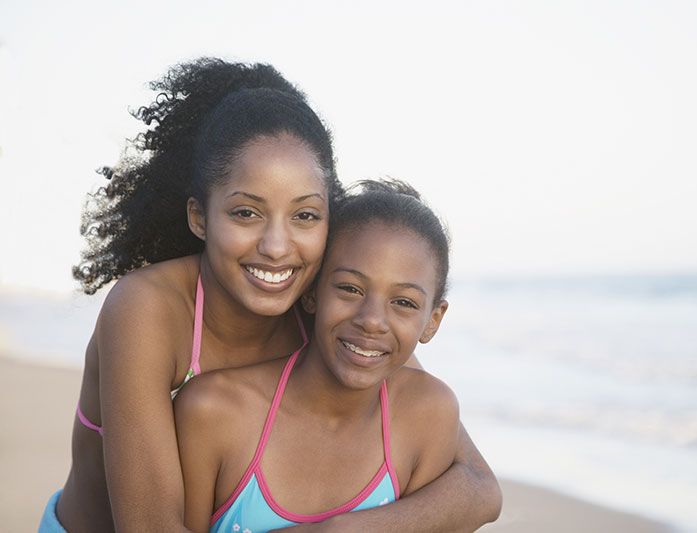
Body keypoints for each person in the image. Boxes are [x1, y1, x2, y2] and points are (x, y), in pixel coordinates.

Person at [40, 58, 501, 533]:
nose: (277, 248)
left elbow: (479, 487)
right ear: (201, 217)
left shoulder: (331, 306)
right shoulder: (148, 308)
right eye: (245, 213)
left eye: (304, 216)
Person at [176, 179, 459, 532]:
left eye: (403, 302)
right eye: (349, 288)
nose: (371, 320)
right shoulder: (214, 410)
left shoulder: (428, 414)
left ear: (432, 320)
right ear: (311, 293)